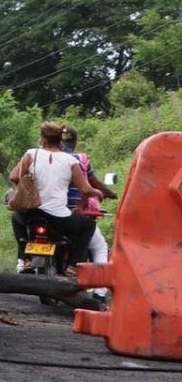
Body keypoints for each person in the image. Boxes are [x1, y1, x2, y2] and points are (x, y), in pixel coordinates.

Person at [8, 122, 102, 275]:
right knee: (88, 226)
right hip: (58, 217)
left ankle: (25, 259)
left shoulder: (31, 154)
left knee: (16, 218)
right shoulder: (71, 161)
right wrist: (95, 193)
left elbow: (13, 176)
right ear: (60, 141)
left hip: (32, 213)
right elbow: (85, 189)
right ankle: (73, 265)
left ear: (43, 140)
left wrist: (24, 190)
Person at [61, 126, 117, 298]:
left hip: (46, 212)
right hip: (72, 212)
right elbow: (91, 185)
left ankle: (22, 262)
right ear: (75, 141)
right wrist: (109, 193)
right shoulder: (79, 159)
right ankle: (100, 292)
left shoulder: (42, 157)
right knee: (100, 246)